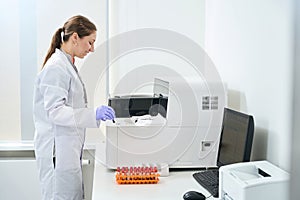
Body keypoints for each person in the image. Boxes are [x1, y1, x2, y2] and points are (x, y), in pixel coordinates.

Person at [33, 15, 115, 200]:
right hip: (58, 153)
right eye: (90, 42)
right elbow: (55, 112)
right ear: (75, 37)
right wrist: (93, 114)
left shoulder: (66, 65)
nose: (92, 49)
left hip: (67, 151)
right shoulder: (56, 67)